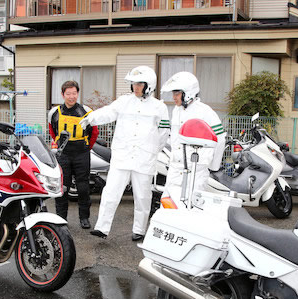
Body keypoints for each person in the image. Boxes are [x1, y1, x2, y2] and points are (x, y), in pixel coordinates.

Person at [80, 66, 169, 241]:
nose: (135, 87)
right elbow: (107, 112)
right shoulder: (124, 101)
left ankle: (139, 230)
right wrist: (91, 118)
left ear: (148, 86)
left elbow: (163, 134)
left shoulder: (159, 107)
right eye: (133, 84)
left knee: (142, 197)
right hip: (122, 156)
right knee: (110, 192)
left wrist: (152, 150)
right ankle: (102, 228)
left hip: (144, 159)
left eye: (139, 84)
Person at [160, 71, 226, 202]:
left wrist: (213, 166)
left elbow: (220, 138)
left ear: (188, 93)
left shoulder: (205, 111)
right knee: (168, 205)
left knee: (191, 209)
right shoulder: (176, 111)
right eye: (173, 93)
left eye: (177, 93)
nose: (173, 97)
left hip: (195, 171)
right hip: (175, 169)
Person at [48, 80, 97, 229]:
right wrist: (58, 142)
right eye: (68, 93)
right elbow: (52, 129)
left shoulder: (86, 111)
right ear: (62, 94)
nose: (71, 97)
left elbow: (94, 132)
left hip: (82, 153)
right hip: (64, 154)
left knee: (83, 188)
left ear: (78, 93)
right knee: (62, 188)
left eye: (74, 93)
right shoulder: (54, 112)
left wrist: (87, 148)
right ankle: (61, 219)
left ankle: (84, 218)